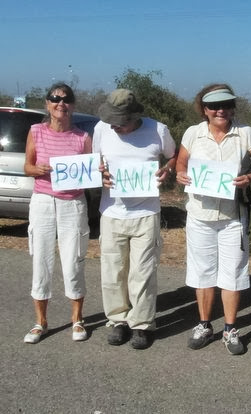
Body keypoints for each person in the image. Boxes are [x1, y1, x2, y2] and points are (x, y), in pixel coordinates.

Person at [176, 84, 251, 355]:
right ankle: (204, 324)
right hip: (200, 214)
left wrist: (250, 178)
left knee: (233, 271)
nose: (220, 110)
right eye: (214, 106)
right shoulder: (193, 133)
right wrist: (180, 174)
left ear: (232, 107)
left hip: (233, 216)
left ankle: (230, 328)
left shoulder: (245, 133)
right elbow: (181, 163)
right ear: (204, 110)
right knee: (202, 271)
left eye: (226, 105)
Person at [93, 89, 176, 350]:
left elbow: (173, 157)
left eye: (122, 122)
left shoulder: (158, 130)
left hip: (146, 213)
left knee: (143, 272)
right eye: (113, 121)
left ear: (134, 116)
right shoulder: (101, 129)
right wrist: (100, 176)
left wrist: (167, 170)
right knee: (113, 271)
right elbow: (95, 162)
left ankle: (141, 324)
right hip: (112, 212)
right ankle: (118, 320)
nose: (117, 127)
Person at [23, 83, 91, 344]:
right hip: (42, 202)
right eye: (55, 99)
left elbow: (91, 173)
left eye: (66, 99)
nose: (60, 104)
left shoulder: (82, 138)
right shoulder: (36, 131)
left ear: (72, 105)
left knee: (74, 261)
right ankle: (40, 322)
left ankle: (78, 319)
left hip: (72, 205)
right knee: (40, 259)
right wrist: (36, 170)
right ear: (47, 103)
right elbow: (27, 166)